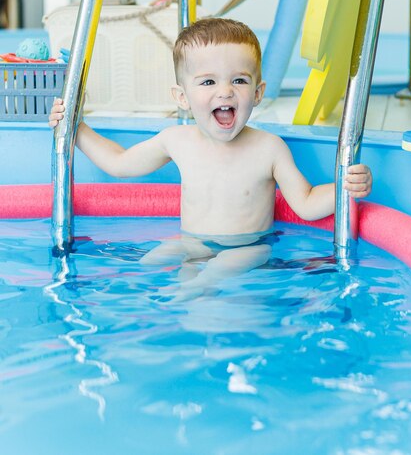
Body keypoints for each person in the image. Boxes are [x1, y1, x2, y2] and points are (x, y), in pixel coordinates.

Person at [49, 18, 372, 299]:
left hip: (249, 248)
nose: (225, 91)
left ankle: (176, 300)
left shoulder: (268, 148)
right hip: (192, 243)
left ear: (257, 93)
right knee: (148, 265)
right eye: (208, 81)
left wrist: (345, 184)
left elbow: (306, 202)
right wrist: (76, 127)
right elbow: (119, 163)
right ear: (182, 97)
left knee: (212, 275)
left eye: (239, 80)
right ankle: (152, 309)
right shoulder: (176, 140)